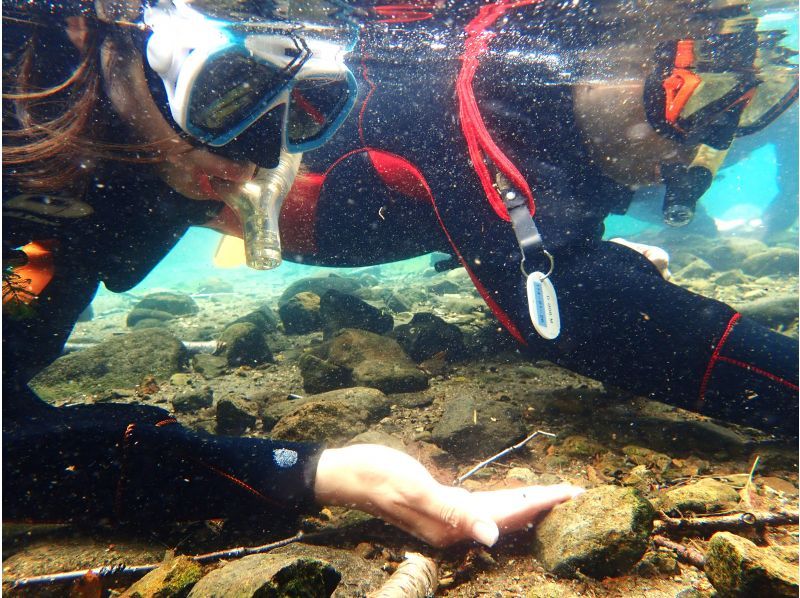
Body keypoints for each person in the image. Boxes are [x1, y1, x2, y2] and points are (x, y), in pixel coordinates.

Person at [2, 0, 583, 546]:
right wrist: (326, 476)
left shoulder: (149, 149)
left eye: (305, 106)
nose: (253, 159)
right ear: (94, 27)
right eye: (224, 93)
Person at [213, 0, 797, 434]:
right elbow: (569, 313)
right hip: (287, 213)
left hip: (389, 218)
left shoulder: (575, 118)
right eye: (689, 98)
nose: (704, 138)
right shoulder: (455, 94)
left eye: (736, 106)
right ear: (612, 54)